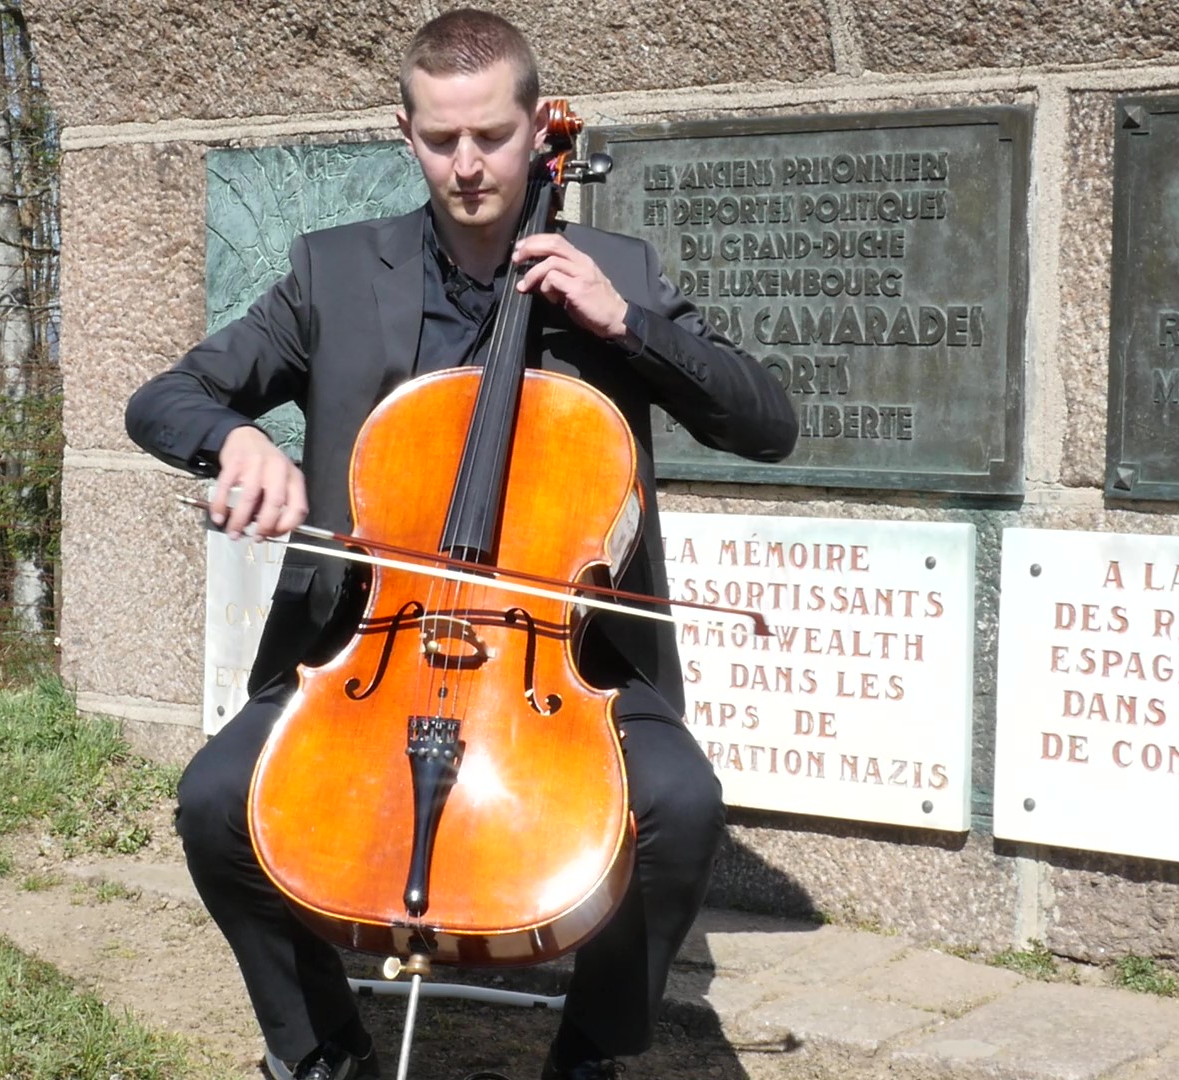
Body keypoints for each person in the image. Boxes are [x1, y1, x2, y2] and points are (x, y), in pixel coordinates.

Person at [126, 10, 796, 1079]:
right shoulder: (333, 273)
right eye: (442, 141)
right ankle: (320, 1051)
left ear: (539, 128)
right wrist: (236, 438)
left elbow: (768, 423)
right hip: (368, 644)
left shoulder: (615, 270)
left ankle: (588, 1053)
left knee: (678, 807)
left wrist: (628, 325)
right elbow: (166, 398)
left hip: (563, 660)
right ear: (406, 132)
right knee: (215, 806)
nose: (469, 165)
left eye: (492, 136)